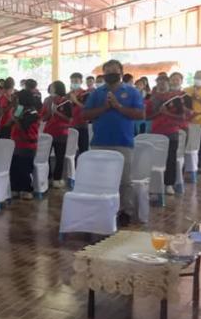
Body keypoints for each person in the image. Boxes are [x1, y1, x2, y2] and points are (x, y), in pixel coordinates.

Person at [82, 59, 145, 226]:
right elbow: (85, 115)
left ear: (121, 73)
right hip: (100, 142)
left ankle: (125, 211)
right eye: (107, 71)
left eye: (114, 71)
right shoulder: (97, 93)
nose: (111, 74)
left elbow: (140, 115)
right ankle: (101, 209)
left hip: (123, 142)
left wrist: (118, 106)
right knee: (99, 179)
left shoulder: (131, 92)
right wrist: (104, 108)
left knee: (124, 180)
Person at [149, 74, 187, 195]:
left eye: (164, 82)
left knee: (171, 159)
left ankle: (169, 184)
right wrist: (158, 113)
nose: (162, 84)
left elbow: (182, 116)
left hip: (171, 131)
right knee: (155, 160)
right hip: (155, 132)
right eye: (159, 82)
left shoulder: (175, 98)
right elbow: (146, 116)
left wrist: (167, 113)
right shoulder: (151, 98)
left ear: (168, 83)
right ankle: (154, 185)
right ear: (156, 83)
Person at [8, 89, 41, 200]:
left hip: (27, 144)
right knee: (14, 167)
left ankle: (27, 190)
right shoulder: (20, 109)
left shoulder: (32, 112)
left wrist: (16, 119)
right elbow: (11, 123)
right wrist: (13, 111)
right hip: (16, 143)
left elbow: (23, 128)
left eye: (17, 98)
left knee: (25, 168)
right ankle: (15, 188)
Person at [41, 81, 73, 189]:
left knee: (60, 157)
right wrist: (49, 111)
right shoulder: (48, 100)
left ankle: (57, 178)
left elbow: (70, 119)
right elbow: (43, 118)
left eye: (53, 87)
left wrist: (57, 112)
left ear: (58, 88)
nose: (51, 88)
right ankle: (48, 177)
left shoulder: (66, 102)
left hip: (61, 133)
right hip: (48, 132)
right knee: (46, 156)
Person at [69, 73, 90, 155]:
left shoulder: (86, 94)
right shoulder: (68, 94)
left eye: (76, 81)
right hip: (70, 126)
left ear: (81, 81)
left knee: (83, 149)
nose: (74, 83)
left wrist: (75, 101)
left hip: (82, 124)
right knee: (70, 151)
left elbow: (87, 108)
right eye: (72, 81)